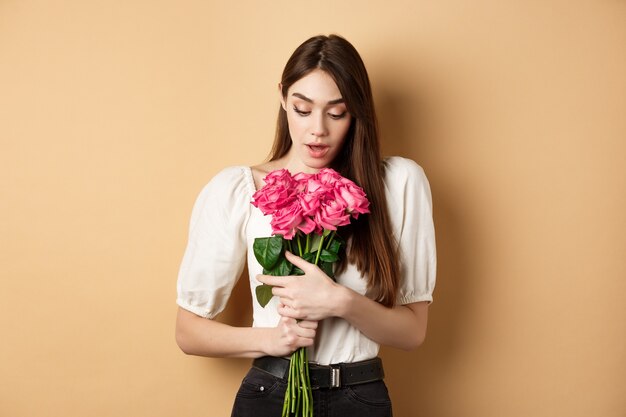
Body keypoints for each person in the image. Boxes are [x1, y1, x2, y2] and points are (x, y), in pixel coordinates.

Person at [175, 34, 436, 417]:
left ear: (356, 112)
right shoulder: (238, 190)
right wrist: (272, 339)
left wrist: (340, 301)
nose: (318, 130)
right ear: (283, 98)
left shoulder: (398, 184)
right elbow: (188, 331)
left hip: (360, 397)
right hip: (270, 392)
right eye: (302, 109)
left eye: (336, 113)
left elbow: (413, 332)